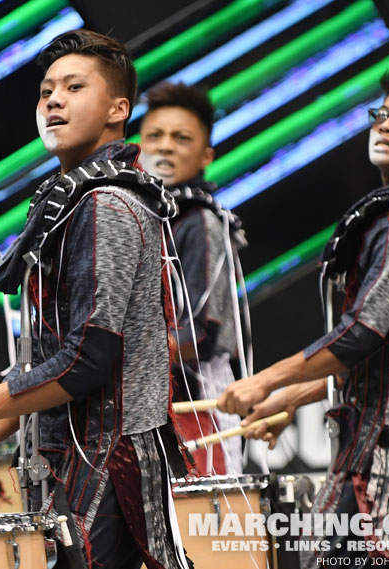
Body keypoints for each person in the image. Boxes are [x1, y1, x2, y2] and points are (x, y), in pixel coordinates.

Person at [0, 30, 191, 569]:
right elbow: (42, 368)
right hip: (69, 465)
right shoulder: (74, 201)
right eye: (46, 90)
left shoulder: (108, 204)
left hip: (108, 469)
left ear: (118, 109)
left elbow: (85, 363)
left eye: (74, 87)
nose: (53, 99)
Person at [217, 62, 389, 565]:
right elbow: (383, 353)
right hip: (380, 443)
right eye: (381, 113)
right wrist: (292, 396)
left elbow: (361, 335)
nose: (384, 124)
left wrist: (266, 381)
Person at [139, 81, 248, 475]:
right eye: (154, 135)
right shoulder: (137, 215)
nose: (165, 146)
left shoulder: (200, 220)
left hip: (194, 399)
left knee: (199, 524)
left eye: (181, 138)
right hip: (145, 396)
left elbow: (202, 332)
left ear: (205, 156)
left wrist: (118, 356)